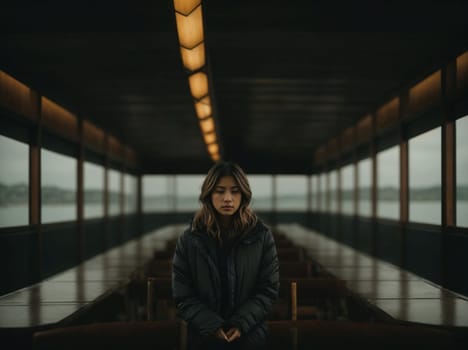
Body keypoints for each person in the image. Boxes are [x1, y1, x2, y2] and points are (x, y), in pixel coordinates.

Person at [172, 161, 280, 350]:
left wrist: (241, 324)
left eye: (235, 191)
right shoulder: (189, 240)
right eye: (220, 191)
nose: (227, 198)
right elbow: (183, 296)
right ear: (209, 194)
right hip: (202, 333)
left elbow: (268, 290)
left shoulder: (261, 237)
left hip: (250, 332)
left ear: (244, 195)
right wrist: (212, 326)